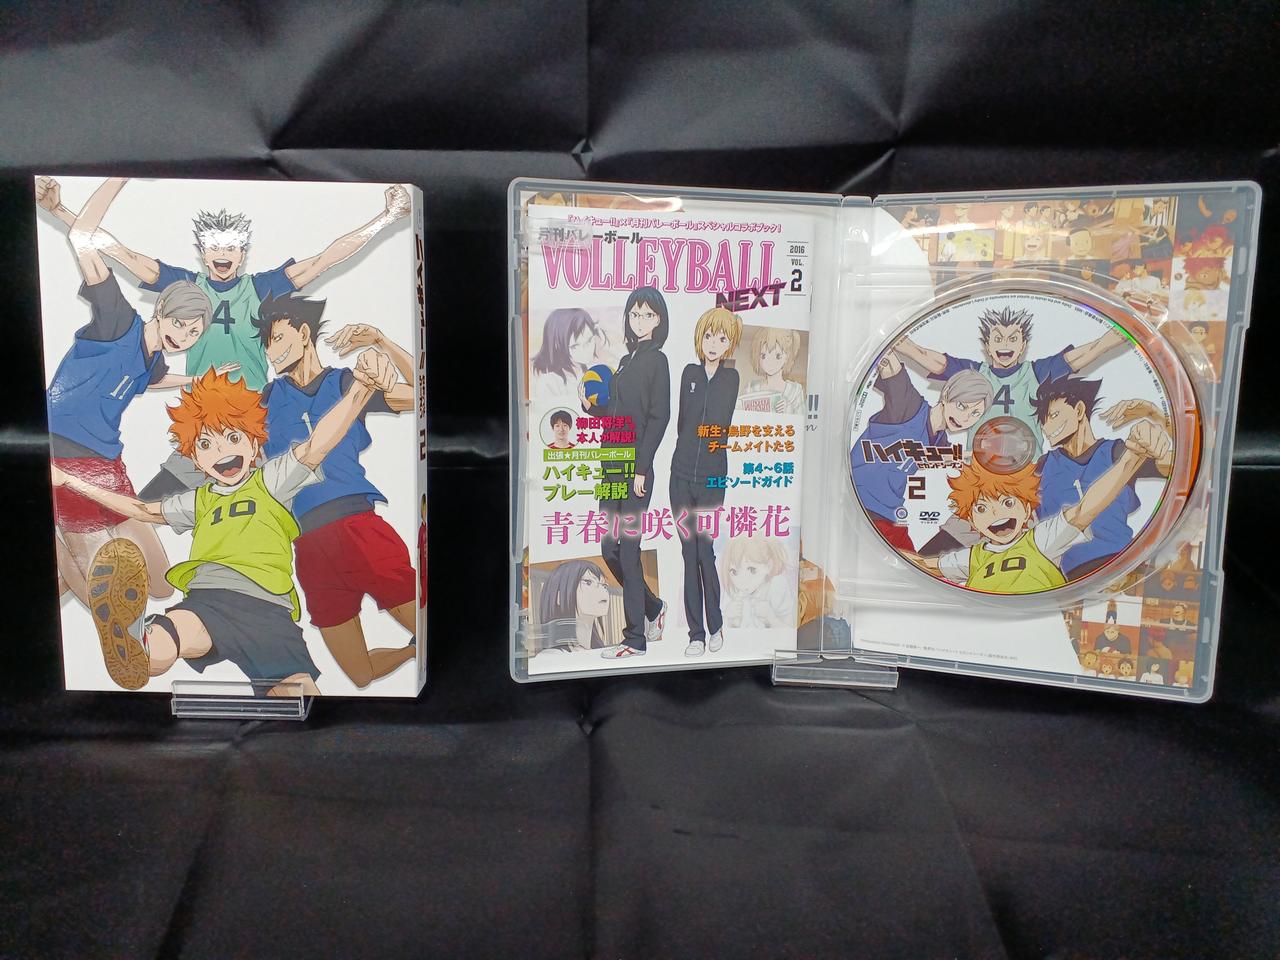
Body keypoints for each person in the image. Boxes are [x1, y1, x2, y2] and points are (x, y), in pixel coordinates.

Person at [51, 354, 399, 693]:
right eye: (206, 444)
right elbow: (142, 510)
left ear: (254, 443)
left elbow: (317, 445)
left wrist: (360, 389)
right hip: (208, 599)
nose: (221, 452)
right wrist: (71, 482)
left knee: (298, 693)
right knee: (165, 643)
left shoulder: (272, 480)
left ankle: (136, 635)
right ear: (195, 459)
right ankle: (134, 639)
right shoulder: (199, 500)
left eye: (233, 438)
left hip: (268, 610)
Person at [42, 177, 214, 610]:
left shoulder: (152, 361)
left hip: (108, 464)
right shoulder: (118, 319)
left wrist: (193, 380)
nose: (183, 336)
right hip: (63, 453)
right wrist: (119, 174)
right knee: (100, 587)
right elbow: (83, 238)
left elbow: (152, 379)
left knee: (162, 585)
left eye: (193, 333)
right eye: (179, 324)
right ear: (161, 310)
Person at [255, 296, 418, 689]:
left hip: (358, 528)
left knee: (435, 628)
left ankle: (425, 645)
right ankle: (415, 651)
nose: (272, 351)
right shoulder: (266, 399)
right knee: (360, 674)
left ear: (304, 333)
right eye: (268, 344)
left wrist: (381, 342)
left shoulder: (346, 383)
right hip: (308, 546)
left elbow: (424, 393)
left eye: (278, 338)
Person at [911, 419, 1168, 594]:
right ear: (971, 519)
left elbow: (1086, 509)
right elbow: (925, 564)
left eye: (1008, 502)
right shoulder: (972, 557)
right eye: (981, 509)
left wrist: (1132, 456)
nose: (996, 514)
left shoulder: (1041, 540)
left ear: (1027, 508)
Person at [894, 305, 1126, 455]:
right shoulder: (973, 373)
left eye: (1013, 339)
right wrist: (893, 340)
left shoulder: (1037, 372)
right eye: (998, 339)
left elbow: (1088, 353)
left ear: (1023, 345)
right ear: (987, 346)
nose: (1005, 345)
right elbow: (930, 359)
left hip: (1028, 471)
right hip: (979, 471)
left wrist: (1128, 329)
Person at [579, 286, 671, 660]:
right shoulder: (626, 360)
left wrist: (642, 469)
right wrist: (590, 408)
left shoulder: (658, 361)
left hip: (635, 470)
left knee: (628, 551)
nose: (640, 320)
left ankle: (635, 639)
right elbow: (617, 411)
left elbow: (659, 418)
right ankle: (654, 607)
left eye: (648, 314)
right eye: (635, 313)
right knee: (609, 548)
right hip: (611, 465)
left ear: (659, 319)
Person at [850, 351, 991, 552]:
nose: (965, 417)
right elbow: (889, 362)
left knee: (911, 562)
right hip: (856, 501)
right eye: (961, 405)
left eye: (975, 413)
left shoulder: (940, 442)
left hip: (888, 516)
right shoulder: (908, 405)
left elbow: (953, 458)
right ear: (946, 393)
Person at [1033, 376, 1172, 579]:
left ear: (1079, 410)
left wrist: (1156, 417)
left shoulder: (1117, 452)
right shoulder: (1043, 467)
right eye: (1044, 421)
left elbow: (1181, 463)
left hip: (1123, 566)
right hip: (1069, 579)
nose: (1047, 427)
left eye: (1054, 415)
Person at [669, 307, 742, 657]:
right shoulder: (689, 373)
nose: (713, 343)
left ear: (730, 343)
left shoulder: (732, 378)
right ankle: (695, 634)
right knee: (688, 553)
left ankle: (716, 626)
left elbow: (720, 422)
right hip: (680, 476)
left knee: (705, 552)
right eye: (709, 336)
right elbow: (683, 422)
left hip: (713, 478)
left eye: (722, 338)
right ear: (700, 338)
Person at [537, 559, 612, 652]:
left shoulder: (598, 651)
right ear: (560, 596)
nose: (602, 590)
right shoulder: (553, 655)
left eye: (604, 585)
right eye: (588, 582)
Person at [531, 308, 608, 398]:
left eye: (589, 340)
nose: (586, 350)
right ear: (559, 348)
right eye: (575, 346)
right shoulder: (549, 383)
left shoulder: (594, 371)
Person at [721, 535, 794, 629]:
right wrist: (727, 617)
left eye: (752, 570)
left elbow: (789, 630)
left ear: (769, 565)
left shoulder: (777, 585)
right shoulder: (731, 589)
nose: (741, 581)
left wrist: (771, 618)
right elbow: (719, 632)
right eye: (734, 572)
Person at [738, 326, 805, 415]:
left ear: (787, 358)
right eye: (763, 356)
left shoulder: (795, 390)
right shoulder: (751, 387)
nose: (769, 362)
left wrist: (788, 410)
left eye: (778, 356)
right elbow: (741, 416)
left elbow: (801, 419)